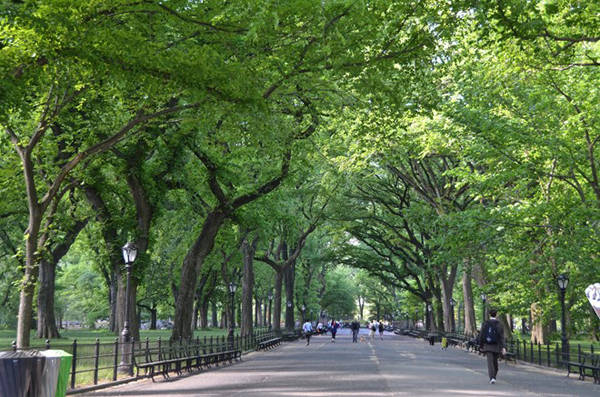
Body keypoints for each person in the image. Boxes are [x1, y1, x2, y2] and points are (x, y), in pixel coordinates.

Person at [479, 308, 506, 384]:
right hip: (496, 346)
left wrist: (480, 345)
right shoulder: (499, 324)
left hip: (487, 346)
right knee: (495, 363)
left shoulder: (485, 323)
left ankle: (492, 377)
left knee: (490, 363)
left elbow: (481, 335)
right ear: (496, 315)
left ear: (489, 315)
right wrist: (503, 347)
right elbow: (502, 337)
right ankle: (493, 376)